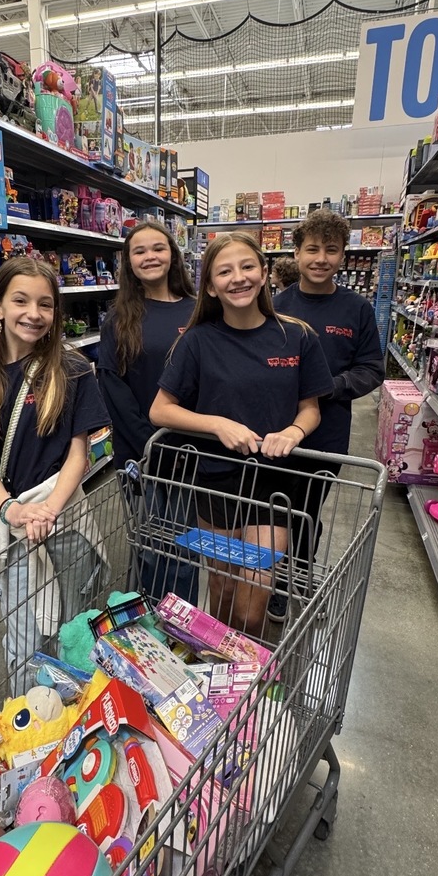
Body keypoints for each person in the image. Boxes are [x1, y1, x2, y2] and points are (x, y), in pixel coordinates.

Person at [150, 231, 333, 634]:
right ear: (211, 286)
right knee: (222, 587)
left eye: (248, 266)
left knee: (253, 599)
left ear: (264, 273)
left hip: (276, 483)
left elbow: (311, 409)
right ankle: (223, 669)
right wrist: (218, 424)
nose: (239, 278)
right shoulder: (197, 341)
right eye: (224, 271)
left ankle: (243, 659)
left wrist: (294, 432)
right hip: (217, 482)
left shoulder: (296, 335)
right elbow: (160, 410)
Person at [0, 257, 110, 672]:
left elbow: (79, 451)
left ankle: (76, 723)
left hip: (65, 517)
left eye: (46, 304)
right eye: (20, 300)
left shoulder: (72, 368)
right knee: (24, 635)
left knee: (74, 627)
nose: (34, 314)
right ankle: (33, 720)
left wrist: (49, 509)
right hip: (15, 524)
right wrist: (14, 509)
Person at [273, 209, 385, 569]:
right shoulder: (275, 306)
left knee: (305, 511)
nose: (321, 259)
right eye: (312, 249)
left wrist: (328, 388)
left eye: (331, 250)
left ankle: (299, 575)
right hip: (273, 428)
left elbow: (371, 369)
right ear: (297, 253)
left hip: (327, 434)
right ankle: (270, 575)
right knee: (272, 506)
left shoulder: (358, 309)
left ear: (343, 254)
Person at [97, 220, 198, 604]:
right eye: (139, 251)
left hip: (193, 452)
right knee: (151, 544)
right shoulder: (120, 318)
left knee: (186, 549)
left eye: (158, 248)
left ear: (172, 254)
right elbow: (112, 386)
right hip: (142, 452)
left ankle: (180, 627)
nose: (150, 256)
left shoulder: (200, 310)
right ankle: (153, 620)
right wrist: (149, 443)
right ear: (128, 262)